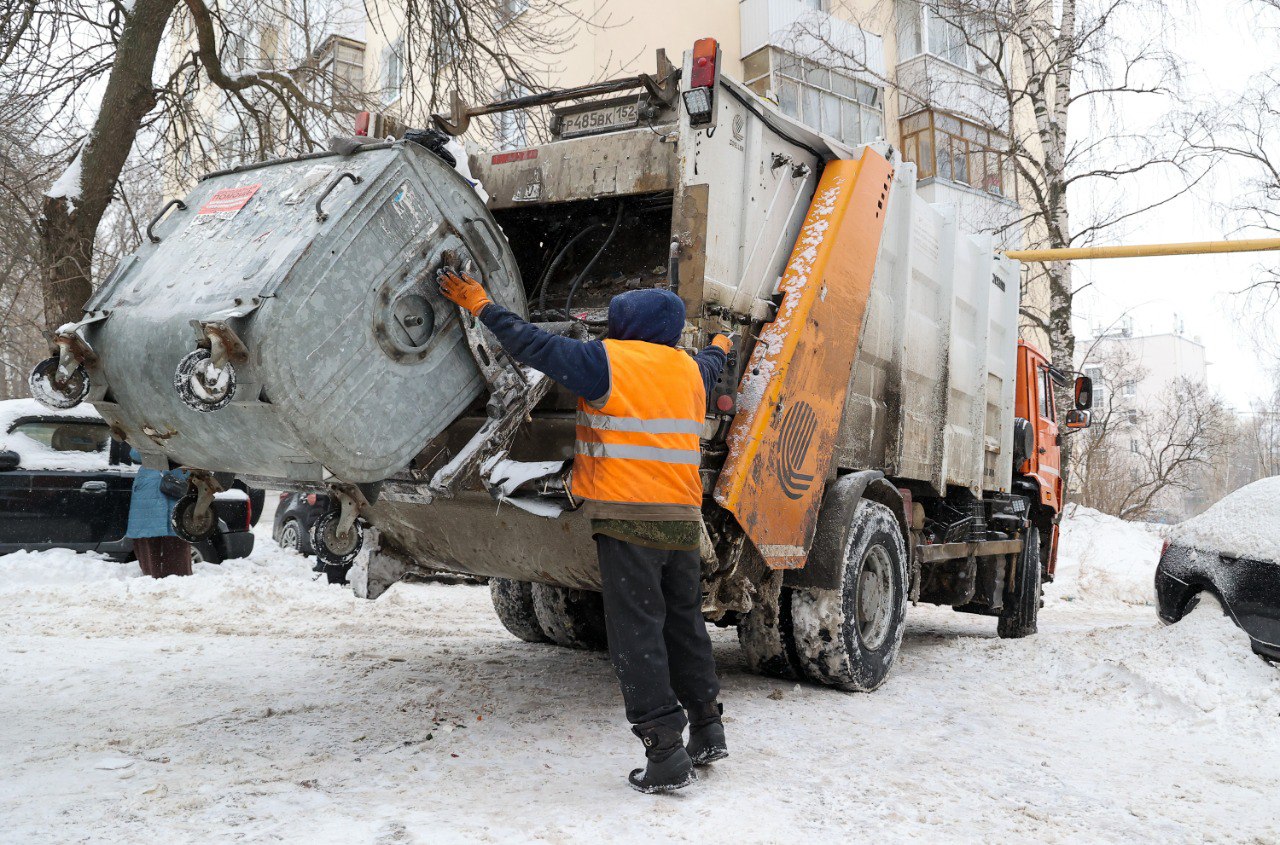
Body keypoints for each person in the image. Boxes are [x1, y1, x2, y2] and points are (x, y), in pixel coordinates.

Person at [438, 269, 732, 794]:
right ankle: (708, 728)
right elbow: (714, 363)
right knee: (683, 625)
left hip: (628, 521)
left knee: (637, 630)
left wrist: (480, 304)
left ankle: (665, 751)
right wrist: (722, 342)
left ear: (627, 326)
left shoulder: (606, 363)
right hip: (684, 523)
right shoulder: (690, 370)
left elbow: (531, 344)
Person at [126, 448, 193, 578]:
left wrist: (182, 470)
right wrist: (156, 448)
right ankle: (152, 583)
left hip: (175, 486)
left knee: (176, 538)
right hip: (149, 491)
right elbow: (134, 453)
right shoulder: (144, 431)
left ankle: (179, 586)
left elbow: (192, 457)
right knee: (149, 542)